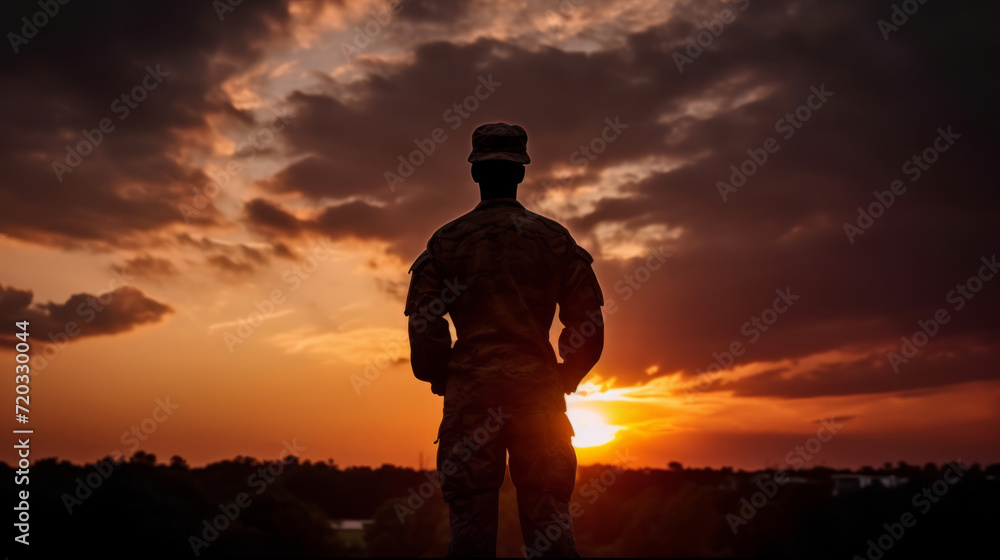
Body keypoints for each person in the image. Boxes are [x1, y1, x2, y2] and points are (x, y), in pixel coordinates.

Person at [404, 123, 605, 557]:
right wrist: (563, 376)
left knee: (471, 530)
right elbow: (586, 324)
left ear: (476, 173)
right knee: (550, 520)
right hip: (539, 396)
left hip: (471, 397)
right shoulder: (554, 240)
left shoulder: (446, 242)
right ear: (521, 174)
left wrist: (442, 375)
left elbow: (425, 322)